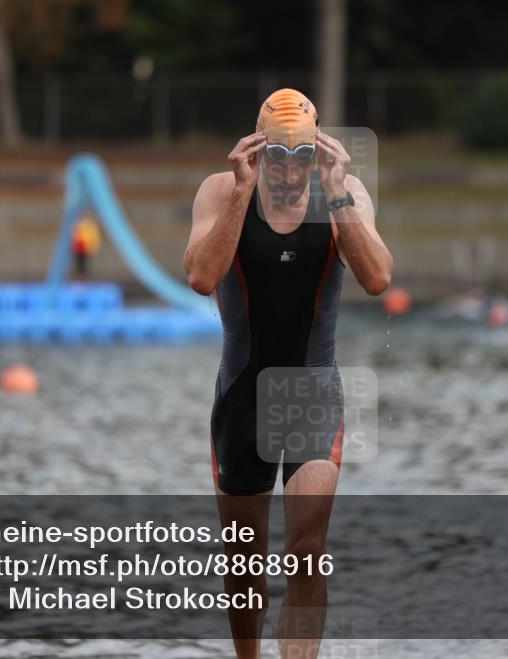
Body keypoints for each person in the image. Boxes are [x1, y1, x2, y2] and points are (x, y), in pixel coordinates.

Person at [184, 88, 392, 658]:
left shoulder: (344, 192)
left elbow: (377, 278)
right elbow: (201, 277)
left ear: (318, 152)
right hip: (241, 399)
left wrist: (337, 195)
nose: (289, 171)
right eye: (277, 156)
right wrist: (241, 193)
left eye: (302, 157)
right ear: (258, 149)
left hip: (312, 394)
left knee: (307, 548)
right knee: (244, 563)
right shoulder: (220, 191)